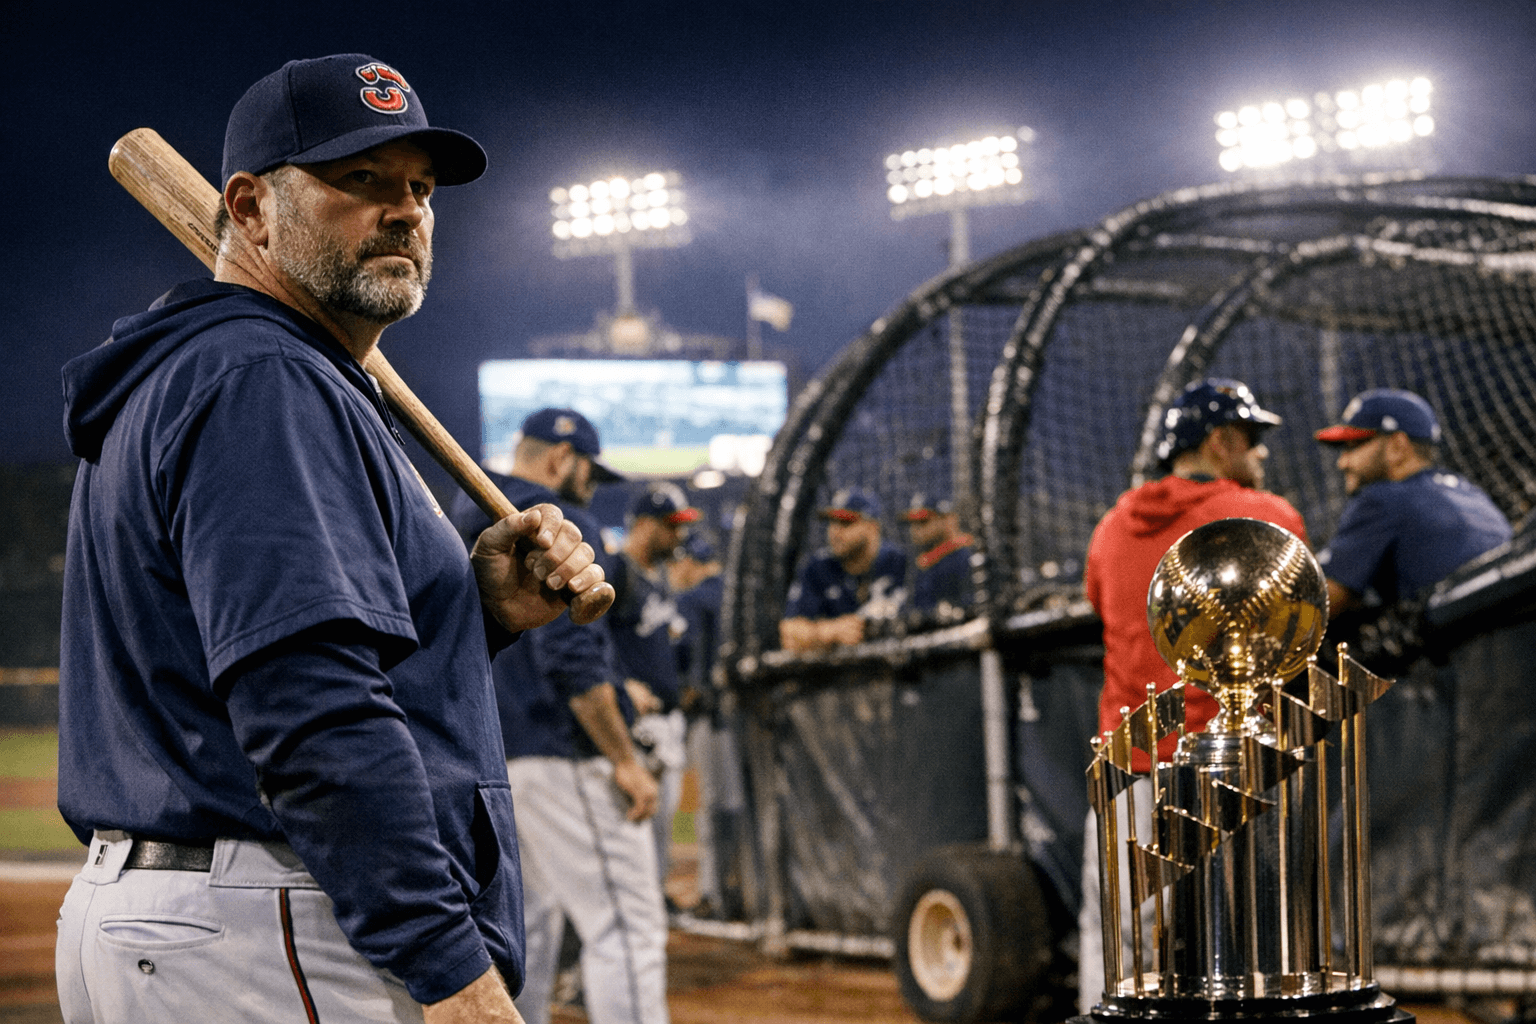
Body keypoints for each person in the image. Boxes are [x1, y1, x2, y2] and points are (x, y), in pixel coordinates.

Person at [56, 55, 611, 1024]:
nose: (404, 210)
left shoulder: (219, 371)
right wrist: (453, 969)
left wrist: (471, 613)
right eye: (360, 181)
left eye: (420, 188)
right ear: (251, 208)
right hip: (275, 925)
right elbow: (310, 706)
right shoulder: (262, 378)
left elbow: (262, 652)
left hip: (207, 921)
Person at [1077, 378, 1308, 1012]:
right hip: (1226, 767)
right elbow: (1300, 623)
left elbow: (1100, 602)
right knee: (1243, 954)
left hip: (1132, 760)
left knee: (1121, 956)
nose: (1260, 456)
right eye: (1253, 441)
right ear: (1221, 441)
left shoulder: (1112, 525)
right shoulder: (1267, 516)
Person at [448, 408, 669, 1024]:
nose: (589, 488)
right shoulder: (553, 517)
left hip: (487, 760)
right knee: (625, 927)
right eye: (588, 472)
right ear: (560, 458)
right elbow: (571, 656)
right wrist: (624, 759)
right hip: (559, 750)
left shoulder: (458, 513)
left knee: (528, 930)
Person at [1314, 388, 1512, 619]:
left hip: (1469, 643)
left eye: (1353, 446)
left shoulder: (1383, 498)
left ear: (1397, 446)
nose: (1342, 462)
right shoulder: (1468, 490)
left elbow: (1322, 600)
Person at [611, 484, 698, 900]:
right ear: (645, 525)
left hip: (666, 723)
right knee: (633, 828)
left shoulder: (658, 579)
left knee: (661, 827)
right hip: (636, 725)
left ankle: (654, 903)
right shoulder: (618, 571)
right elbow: (588, 635)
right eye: (671, 526)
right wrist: (621, 682)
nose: (679, 535)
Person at [668, 533, 745, 919]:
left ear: (689, 562)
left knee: (714, 808)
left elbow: (688, 660)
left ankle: (717, 894)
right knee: (742, 805)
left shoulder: (693, 598)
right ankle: (749, 889)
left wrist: (686, 692)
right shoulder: (739, 593)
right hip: (749, 719)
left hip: (713, 719)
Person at [778, 487, 908, 652]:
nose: (835, 531)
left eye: (846, 522)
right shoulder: (818, 568)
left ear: (872, 528)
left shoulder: (899, 563)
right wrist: (830, 631)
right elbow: (787, 632)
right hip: (839, 672)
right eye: (832, 522)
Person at [900, 493, 976, 616]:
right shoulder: (922, 561)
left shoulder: (966, 558)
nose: (915, 529)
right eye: (912, 523)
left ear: (948, 519)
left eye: (923, 522)